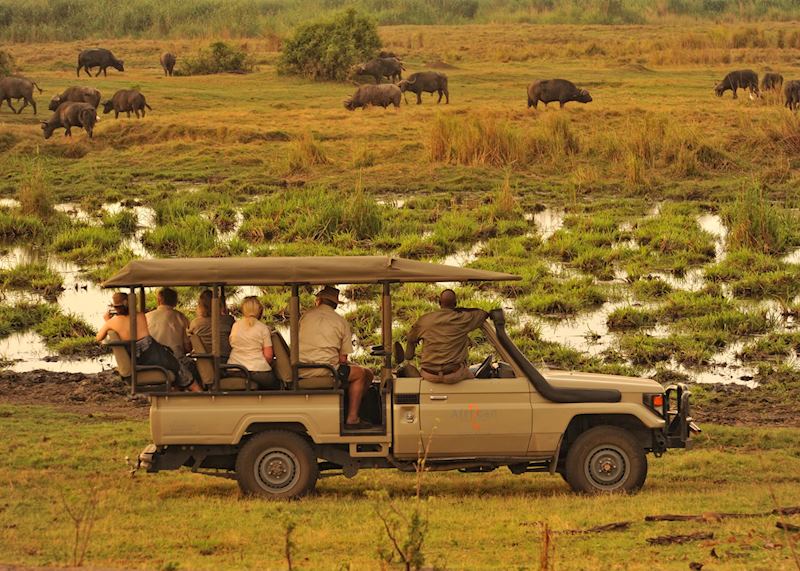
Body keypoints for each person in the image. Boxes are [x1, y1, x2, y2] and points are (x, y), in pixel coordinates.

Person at [299, 286, 374, 429]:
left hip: (301, 368)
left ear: (319, 300)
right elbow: (343, 359)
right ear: (335, 304)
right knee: (361, 373)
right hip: (327, 370)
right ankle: (352, 417)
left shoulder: (305, 317)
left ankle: (348, 407)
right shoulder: (341, 321)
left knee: (363, 372)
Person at [96, 292, 201, 392]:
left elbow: (98, 337)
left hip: (136, 359)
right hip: (151, 354)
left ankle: (180, 390)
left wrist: (108, 321)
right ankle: (196, 389)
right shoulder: (140, 316)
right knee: (177, 365)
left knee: (172, 359)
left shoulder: (111, 323)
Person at [406, 289, 489, 384]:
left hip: (429, 375)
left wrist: (409, 355)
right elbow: (483, 314)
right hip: (454, 374)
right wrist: (460, 310)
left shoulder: (425, 320)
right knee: (475, 383)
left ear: (439, 302)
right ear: (455, 303)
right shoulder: (462, 318)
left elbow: (410, 340)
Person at [227, 296, 277, 389]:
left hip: (234, 369)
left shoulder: (235, 326)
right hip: (257, 370)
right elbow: (268, 356)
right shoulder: (263, 328)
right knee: (275, 383)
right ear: (259, 310)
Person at [188, 289, 235, 360]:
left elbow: (189, 344)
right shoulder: (229, 320)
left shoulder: (195, 323)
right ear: (218, 304)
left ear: (200, 306)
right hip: (226, 359)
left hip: (204, 360)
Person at [146, 287, 191, 358]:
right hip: (176, 360)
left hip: (151, 360)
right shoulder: (181, 317)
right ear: (175, 301)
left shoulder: (147, 317)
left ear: (159, 300)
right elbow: (187, 347)